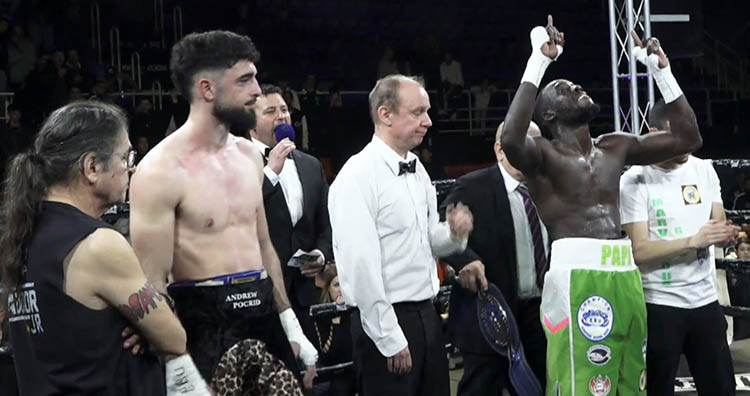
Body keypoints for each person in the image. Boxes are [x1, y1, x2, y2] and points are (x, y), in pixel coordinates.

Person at [501, 17, 703, 395]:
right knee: (582, 382)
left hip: (624, 271)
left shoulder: (615, 145)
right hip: (576, 274)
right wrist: (539, 62)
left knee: (631, 379)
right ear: (549, 115)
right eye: (564, 89)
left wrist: (662, 74)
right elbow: (511, 138)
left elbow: (689, 137)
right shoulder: (542, 157)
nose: (575, 86)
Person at [128, 30, 317, 390]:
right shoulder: (160, 170)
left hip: (263, 313)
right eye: (245, 80)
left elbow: (263, 247)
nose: (257, 91)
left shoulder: (249, 156)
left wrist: (289, 323)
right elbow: (151, 278)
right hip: (202, 324)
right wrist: (175, 362)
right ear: (207, 89)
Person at [0, 101, 209, 395]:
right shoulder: (97, 243)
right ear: (93, 167)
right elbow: (173, 339)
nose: (131, 166)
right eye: (126, 156)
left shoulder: (22, 235)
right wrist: (150, 319)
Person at [328, 74, 473, 396]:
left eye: (427, 111)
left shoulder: (417, 169)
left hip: (427, 314)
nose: (428, 121)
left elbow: (426, 241)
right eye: (418, 112)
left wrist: (453, 234)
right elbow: (360, 267)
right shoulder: (357, 176)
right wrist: (389, 337)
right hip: (386, 318)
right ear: (386, 114)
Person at [620, 99, 738, 395]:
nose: (686, 148)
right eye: (678, 138)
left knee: (722, 388)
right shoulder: (634, 179)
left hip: (705, 299)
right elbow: (639, 251)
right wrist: (692, 241)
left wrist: (725, 234)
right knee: (657, 390)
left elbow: (718, 223)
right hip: (659, 304)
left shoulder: (705, 170)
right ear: (654, 132)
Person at [442, 120, 548, 396]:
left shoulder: (549, 187)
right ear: (500, 150)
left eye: (535, 143)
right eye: (522, 142)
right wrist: (465, 260)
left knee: (540, 388)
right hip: (489, 312)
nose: (530, 150)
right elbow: (444, 232)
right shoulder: (473, 186)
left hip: (541, 313)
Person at [250, 83, 333, 346]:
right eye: (270, 111)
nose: (282, 116)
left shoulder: (310, 165)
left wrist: (321, 254)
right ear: (251, 122)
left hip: (306, 294)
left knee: (310, 376)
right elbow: (236, 215)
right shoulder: (237, 162)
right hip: (261, 296)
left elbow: (327, 224)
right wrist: (270, 173)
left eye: (284, 109)